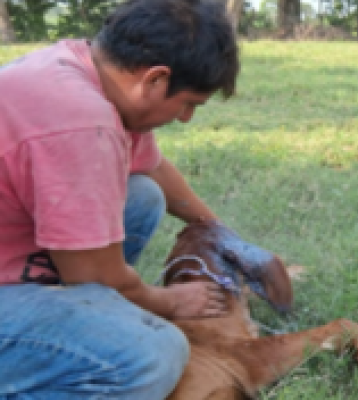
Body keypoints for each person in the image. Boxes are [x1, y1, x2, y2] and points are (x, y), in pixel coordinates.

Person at [0, 0, 250, 397]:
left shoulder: (87, 71)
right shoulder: (78, 122)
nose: (186, 118)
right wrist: (165, 302)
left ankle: (89, 315)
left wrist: (219, 232)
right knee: (151, 354)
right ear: (154, 80)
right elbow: (93, 274)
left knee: (143, 195)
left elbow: (151, 168)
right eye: (188, 104)